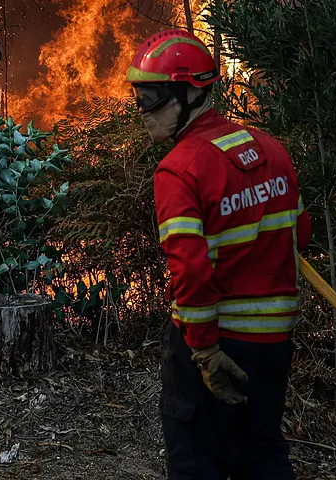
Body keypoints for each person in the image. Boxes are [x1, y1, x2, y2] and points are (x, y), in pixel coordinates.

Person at [126, 29, 311, 480]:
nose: (142, 112)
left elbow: (189, 272)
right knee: (262, 454)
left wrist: (205, 351)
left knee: (196, 465)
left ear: (190, 93)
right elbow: (300, 235)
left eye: (150, 98)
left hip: (214, 348)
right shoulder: (271, 149)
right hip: (272, 347)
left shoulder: (179, 169)